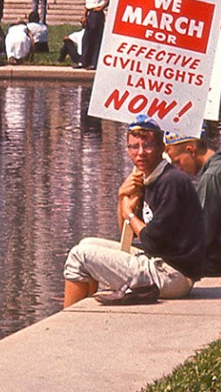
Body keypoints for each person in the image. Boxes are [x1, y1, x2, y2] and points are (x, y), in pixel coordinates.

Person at [62, 118, 208, 307]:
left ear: (162, 148)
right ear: (127, 150)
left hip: (173, 275)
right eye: (134, 147)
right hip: (158, 262)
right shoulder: (147, 178)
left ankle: (68, 323)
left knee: (79, 255)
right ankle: (81, 310)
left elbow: (151, 240)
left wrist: (128, 212)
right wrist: (122, 196)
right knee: (87, 243)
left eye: (147, 146)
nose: (140, 153)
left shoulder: (172, 181)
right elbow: (126, 233)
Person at [165, 130, 221, 276]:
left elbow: (201, 234)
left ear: (191, 150)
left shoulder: (211, 177)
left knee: (152, 255)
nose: (179, 168)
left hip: (220, 259)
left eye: (178, 161)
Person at [81, 0, 110, 68]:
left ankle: (94, 62)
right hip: (89, 13)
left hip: (97, 14)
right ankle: (84, 61)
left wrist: (101, 7)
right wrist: (84, 16)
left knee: (95, 38)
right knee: (86, 38)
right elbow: (87, 2)